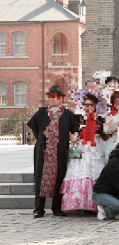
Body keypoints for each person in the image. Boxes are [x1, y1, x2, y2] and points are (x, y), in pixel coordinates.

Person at [27, 85, 79, 218]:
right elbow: (35, 129)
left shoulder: (68, 114)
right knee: (41, 179)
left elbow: (74, 130)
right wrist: (42, 140)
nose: (55, 99)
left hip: (60, 151)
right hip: (43, 151)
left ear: (62, 98)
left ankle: (56, 208)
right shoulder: (41, 112)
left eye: (58, 96)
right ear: (48, 97)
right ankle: (39, 208)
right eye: (52, 96)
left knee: (59, 178)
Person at [102, 90, 119, 162]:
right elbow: (106, 130)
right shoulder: (110, 116)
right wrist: (117, 124)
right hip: (114, 142)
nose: (118, 103)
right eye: (116, 101)